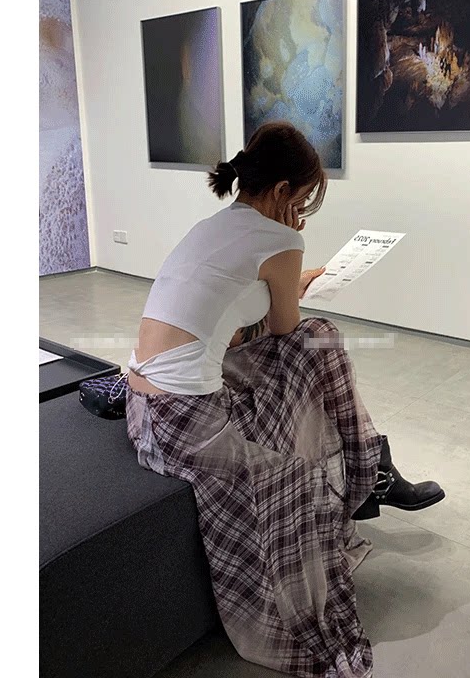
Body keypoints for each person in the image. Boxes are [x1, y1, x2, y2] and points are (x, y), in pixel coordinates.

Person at [126, 121, 445, 678]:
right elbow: (283, 329)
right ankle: (370, 464)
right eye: (300, 201)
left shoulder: (212, 226)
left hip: (142, 406)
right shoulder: (281, 240)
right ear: (280, 191)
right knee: (318, 345)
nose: (300, 214)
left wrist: (292, 279)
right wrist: (295, 268)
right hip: (185, 422)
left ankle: (370, 460)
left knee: (318, 343)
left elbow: (237, 322)